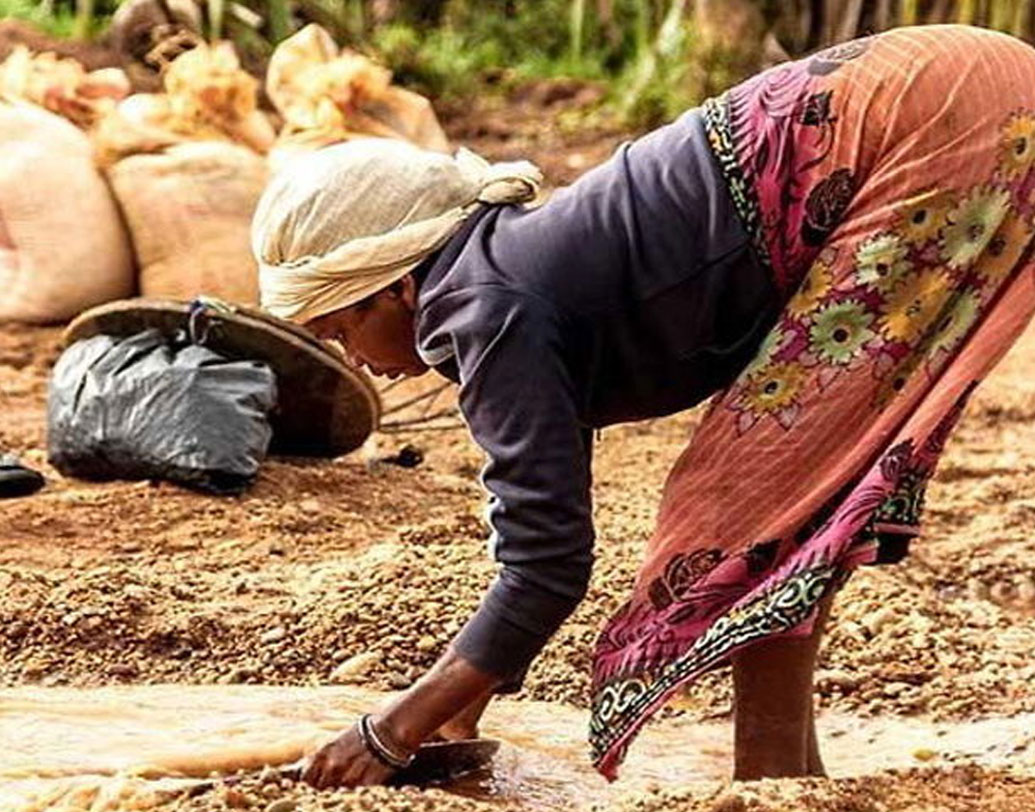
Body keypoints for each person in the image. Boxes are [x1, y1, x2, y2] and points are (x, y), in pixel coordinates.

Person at [251, 24, 1035, 788]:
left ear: (395, 285)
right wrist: (465, 702)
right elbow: (538, 514)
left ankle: (771, 783)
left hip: (931, 119)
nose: (353, 358)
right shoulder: (501, 274)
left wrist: (393, 730)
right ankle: (788, 775)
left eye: (341, 326)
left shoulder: (483, 310)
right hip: (946, 87)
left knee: (751, 500)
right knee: (786, 490)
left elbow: (546, 562)